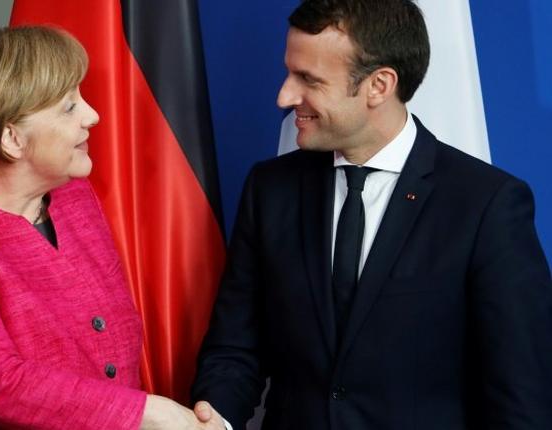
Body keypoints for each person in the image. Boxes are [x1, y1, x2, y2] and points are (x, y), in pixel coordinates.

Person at [191, 0, 552, 429]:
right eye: (289, 72)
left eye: (308, 79)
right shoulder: (270, 189)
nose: (284, 96)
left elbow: (521, 397)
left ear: (379, 86)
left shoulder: (487, 204)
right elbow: (236, 347)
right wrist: (214, 420)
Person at [0, 25, 224, 430]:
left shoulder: (71, 194)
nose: (92, 116)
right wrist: (150, 413)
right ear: (12, 139)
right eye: (68, 107)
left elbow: (112, 342)